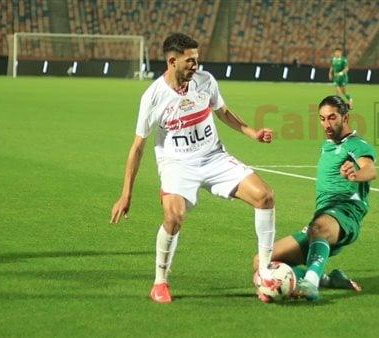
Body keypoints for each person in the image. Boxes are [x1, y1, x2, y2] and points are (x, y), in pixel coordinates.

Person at [110, 33, 279, 304]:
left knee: (265, 196)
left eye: (197, 60)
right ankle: (160, 282)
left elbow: (223, 111)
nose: (195, 65)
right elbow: (137, 147)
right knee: (174, 218)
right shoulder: (153, 97)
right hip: (177, 165)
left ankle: (265, 272)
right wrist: (126, 194)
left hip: (214, 158)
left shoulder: (205, 81)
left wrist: (252, 133)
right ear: (172, 61)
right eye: (190, 61)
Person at [253, 95, 377, 302]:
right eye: (322, 119)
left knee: (318, 228)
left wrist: (356, 174)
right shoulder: (327, 144)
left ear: (345, 118)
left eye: (332, 118)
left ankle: (310, 283)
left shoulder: (357, 145)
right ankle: (328, 279)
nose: (326, 124)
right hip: (321, 218)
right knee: (261, 263)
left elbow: (370, 169)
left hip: (346, 213)